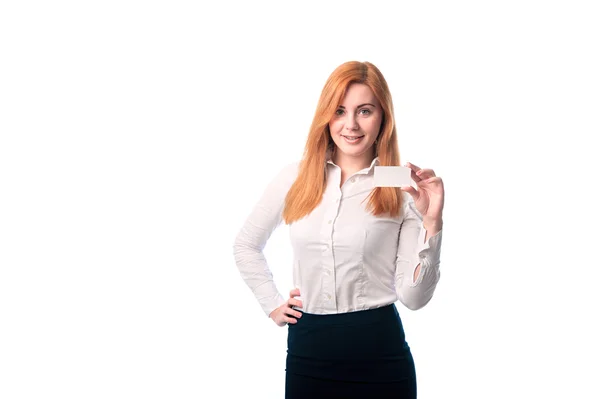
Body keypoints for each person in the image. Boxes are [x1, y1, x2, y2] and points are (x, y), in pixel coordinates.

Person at [233, 61, 444, 399]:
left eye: (365, 111)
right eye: (340, 111)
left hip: (380, 353)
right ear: (326, 116)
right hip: (308, 351)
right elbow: (245, 245)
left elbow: (414, 298)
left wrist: (432, 224)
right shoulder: (296, 177)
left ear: (383, 118)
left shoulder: (400, 185)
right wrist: (271, 303)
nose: (350, 125)